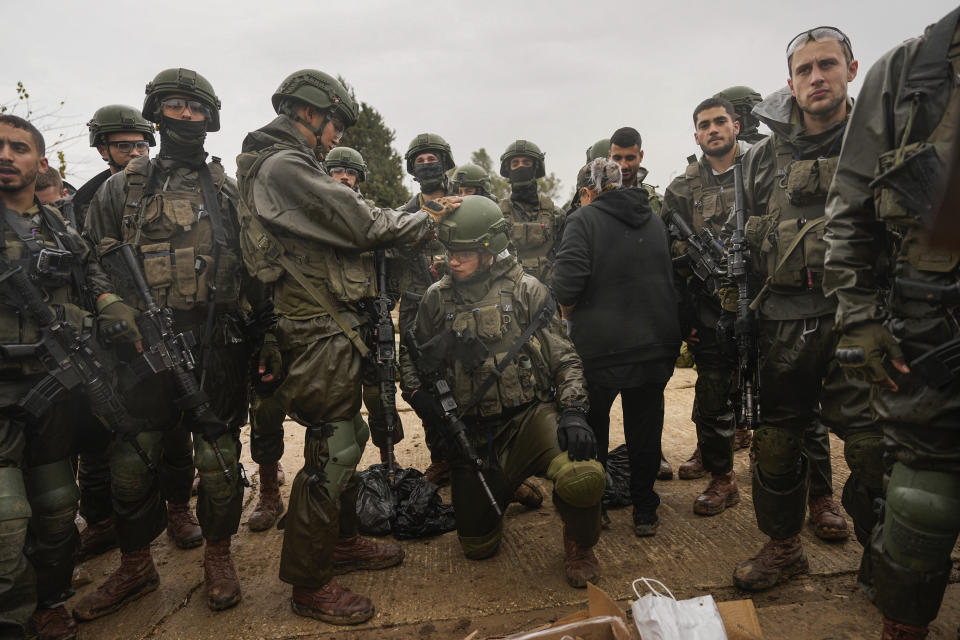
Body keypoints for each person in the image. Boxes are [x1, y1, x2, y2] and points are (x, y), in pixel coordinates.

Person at [236, 68, 459, 624]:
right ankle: (309, 584)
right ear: (308, 112)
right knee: (331, 450)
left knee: (345, 435)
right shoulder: (285, 165)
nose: (338, 135)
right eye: (335, 123)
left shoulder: (289, 162)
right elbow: (360, 223)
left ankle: (342, 541)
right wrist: (427, 215)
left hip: (328, 324)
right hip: (313, 328)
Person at [78, 67, 258, 618]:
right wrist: (113, 307)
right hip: (139, 349)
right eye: (174, 106)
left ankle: (218, 558)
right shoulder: (122, 187)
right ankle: (135, 568)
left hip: (214, 343)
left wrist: (263, 338)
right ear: (157, 112)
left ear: (211, 116)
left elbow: (255, 268)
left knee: (220, 461)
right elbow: (89, 258)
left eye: (194, 107)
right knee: (132, 465)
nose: (184, 116)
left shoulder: (227, 189)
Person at [824, 8, 960, 639]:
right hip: (931, 330)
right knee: (921, 500)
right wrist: (856, 317)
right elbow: (849, 212)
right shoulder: (909, 73)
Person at [729, 26, 876, 593]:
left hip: (861, 316)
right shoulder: (762, 159)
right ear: (790, 81)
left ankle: (880, 553)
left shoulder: (879, 141)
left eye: (828, 65)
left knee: (870, 446)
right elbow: (742, 242)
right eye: (805, 70)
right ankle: (784, 548)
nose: (817, 78)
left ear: (851, 69)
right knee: (776, 441)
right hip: (784, 317)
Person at [404, 195, 605, 586]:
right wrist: (418, 396)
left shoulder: (527, 291)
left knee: (581, 474)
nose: (452, 260)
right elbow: (412, 358)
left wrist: (575, 411)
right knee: (477, 548)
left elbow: (565, 358)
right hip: (472, 433)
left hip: (529, 417)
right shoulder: (436, 299)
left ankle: (579, 543)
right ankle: (509, 483)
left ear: (490, 250)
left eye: (462, 251)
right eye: (448, 250)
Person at [0, 114, 132, 640]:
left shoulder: (57, 223)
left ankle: (50, 602)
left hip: (51, 388)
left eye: (18, 147)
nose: (6, 156)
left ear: (40, 161)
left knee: (57, 508)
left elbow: (89, 272)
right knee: (8, 517)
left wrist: (107, 301)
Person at [553, 158, 680, 536]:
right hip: (656, 343)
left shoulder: (583, 219)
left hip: (602, 348)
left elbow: (566, 287)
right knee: (646, 427)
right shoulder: (653, 218)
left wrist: (566, 317)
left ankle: (595, 508)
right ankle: (645, 511)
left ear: (588, 192)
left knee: (592, 427)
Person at [73, 104, 160, 562]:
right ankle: (105, 523)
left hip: (160, 320)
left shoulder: (165, 185)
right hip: (110, 327)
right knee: (103, 433)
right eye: (123, 145)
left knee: (171, 424)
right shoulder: (87, 199)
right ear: (103, 148)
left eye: (140, 144)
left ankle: (179, 508)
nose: (133, 152)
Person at [662, 97, 751, 515]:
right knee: (712, 396)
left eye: (720, 122)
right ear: (696, 134)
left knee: (785, 405)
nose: (713, 129)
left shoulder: (761, 173)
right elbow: (669, 264)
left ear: (736, 125)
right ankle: (722, 478)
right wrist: (685, 321)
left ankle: (817, 495)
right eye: (705, 124)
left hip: (761, 306)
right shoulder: (682, 188)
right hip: (711, 311)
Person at [396, 133, 456, 485]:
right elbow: (391, 254)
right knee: (422, 384)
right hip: (417, 307)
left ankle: (476, 451)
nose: (427, 163)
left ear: (445, 162)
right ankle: (441, 457)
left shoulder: (465, 203)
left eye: (433, 157)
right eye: (420, 159)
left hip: (461, 302)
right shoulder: (403, 214)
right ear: (412, 168)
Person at [497, 139, 566, 284]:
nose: (520, 167)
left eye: (526, 163)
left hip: (550, 292)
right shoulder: (496, 215)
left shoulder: (556, 214)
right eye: (515, 163)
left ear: (535, 168)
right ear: (508, 170)